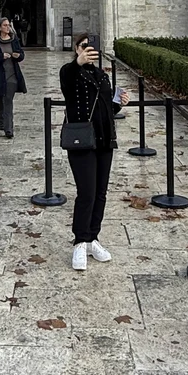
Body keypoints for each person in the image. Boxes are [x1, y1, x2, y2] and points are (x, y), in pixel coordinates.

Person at [60, 31, 129, 271]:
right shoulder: (70, 72)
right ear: (77, 49)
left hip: (104, 140)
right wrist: (77, 63)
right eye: (84, 46)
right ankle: (79, 241)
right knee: (86, 192)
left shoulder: (102, 76)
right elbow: (67, 84)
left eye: (92, 47)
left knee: (100, 192)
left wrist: (119, 102)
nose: (89, 50)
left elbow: (104, 107)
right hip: (82, 141)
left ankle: (92, 238)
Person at [0, 17, 26, 137]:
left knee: (8, 101)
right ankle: (1, 122)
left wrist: (18, 56)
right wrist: (1, 56)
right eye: (5, 25)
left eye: (9, 25)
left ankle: (8, 129)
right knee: (0, 99)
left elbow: (21, 55)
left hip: (12, 75)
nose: (8, 27)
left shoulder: (14, 40)